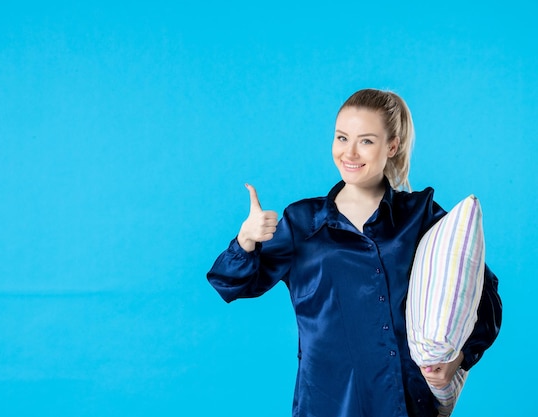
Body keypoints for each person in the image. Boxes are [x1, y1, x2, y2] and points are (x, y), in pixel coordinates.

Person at [206, 88, 502, 417]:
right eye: (342, 137)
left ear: (392, 145)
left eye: (366, 140)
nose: (350, 152)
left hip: (404, 403)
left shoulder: (420, 216)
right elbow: (230, 284)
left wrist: (459, 359)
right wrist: (245, 241)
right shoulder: (302, 222)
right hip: (326, 402)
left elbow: (481, 293)